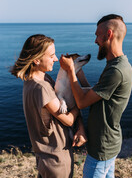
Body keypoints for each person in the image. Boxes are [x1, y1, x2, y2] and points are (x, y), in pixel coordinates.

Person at [59, 14, 132, 178]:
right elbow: (92, 94)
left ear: (108, 34)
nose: (95, 41)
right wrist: (77, 70)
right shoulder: (115, 65)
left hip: (102, 146)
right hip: (107, 142)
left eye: (97, 35)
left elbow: (82, 101)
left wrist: (71, 71)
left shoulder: (116, 71)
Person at [10, 34, 87, 178]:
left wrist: (80, 126)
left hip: (45, 159)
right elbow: (69, 119)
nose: (56, 59)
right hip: (56, 161)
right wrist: (80, 103)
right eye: (51, 55)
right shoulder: (42, 88)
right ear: (36, 60)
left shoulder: (36, 81)